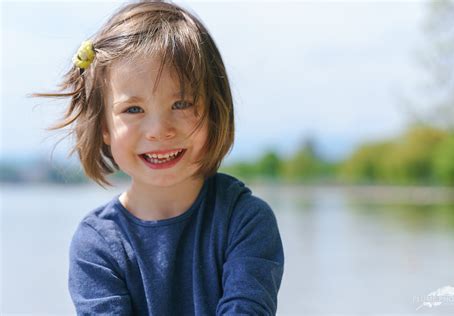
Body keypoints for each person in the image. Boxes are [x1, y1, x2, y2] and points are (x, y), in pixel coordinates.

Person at [33, 1, 284, 315]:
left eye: (181, 103)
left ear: (215, 112)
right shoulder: (96, 245)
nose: (159, 130)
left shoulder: (244, 220)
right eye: (133, 109)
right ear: (104, 127)